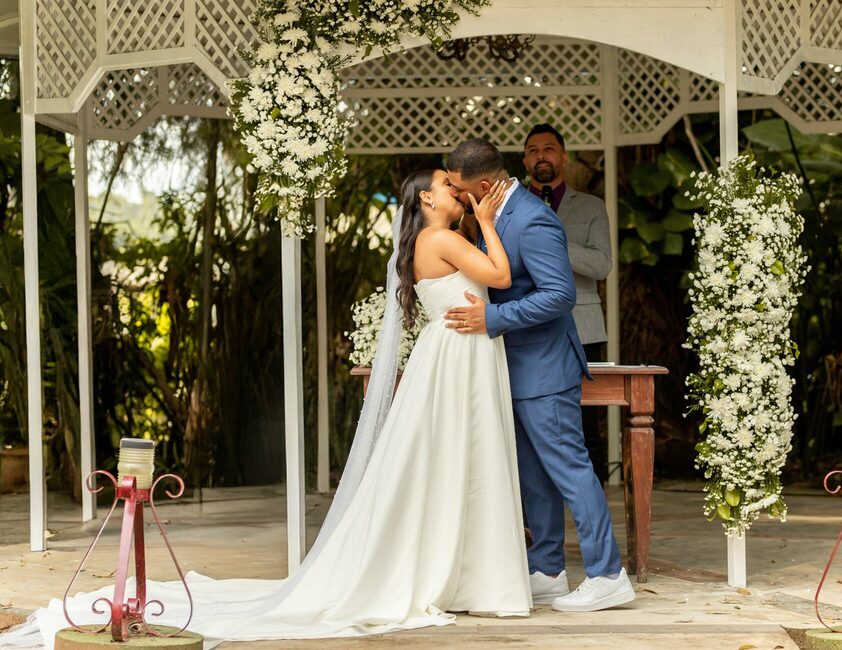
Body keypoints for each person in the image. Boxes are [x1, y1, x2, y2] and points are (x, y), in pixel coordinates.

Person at [0, 170, 532, 647]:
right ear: (426, 199)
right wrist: (487, 222)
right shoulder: (440, 237)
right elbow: (501, 278)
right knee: (463, 460)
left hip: (456, 356)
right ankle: (470, 576)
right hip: (457, 358)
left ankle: (463, 572)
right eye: (446, 184)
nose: (457, 191)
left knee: (457, 463)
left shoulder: (435, 238)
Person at [444, 138, 634, 612]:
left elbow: (559, 295)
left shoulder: (532, 219)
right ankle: (547, 569)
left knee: (570, 470)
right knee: (534, 476)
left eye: (461, 191)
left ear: (482, 187)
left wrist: (492, 319)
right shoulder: (495, 214)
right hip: (515, 367)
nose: (458, 198)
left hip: (545, 368)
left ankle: (608, 574)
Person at [523, 123, 613, 483]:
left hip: (583, 329)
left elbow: (602, 265)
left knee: (586, 421)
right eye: (533, 150)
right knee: (526, 415)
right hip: (526, 325)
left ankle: (592, 499)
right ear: (525, 161)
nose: (540, 156)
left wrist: (555, 244)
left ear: (564, 157)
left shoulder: (591, 206)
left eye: (548, 149)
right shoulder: (508, 206)